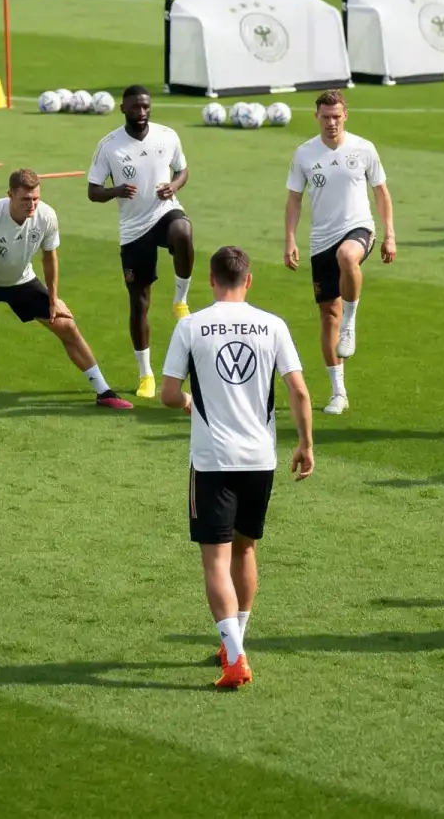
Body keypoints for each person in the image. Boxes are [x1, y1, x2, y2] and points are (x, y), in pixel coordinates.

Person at [161, 245, 313, 689]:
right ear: (248, 281)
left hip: (213, 461)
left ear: (211, 280)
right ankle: (236, 643)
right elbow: (300, 392)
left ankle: (234, 657)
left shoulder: (191, 326)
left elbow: (169, 393)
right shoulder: (273, 325)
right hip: (260, 459)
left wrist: (190, 401)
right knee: (246, 550)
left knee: (215, 559)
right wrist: (305, 444)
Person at [0, 170, 133, 411]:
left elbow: (49, 258)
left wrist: (54, 299)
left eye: (35, 198)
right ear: (10, 195)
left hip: (21, 281)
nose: (32, 204)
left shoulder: (46, 216)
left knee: (66, 326)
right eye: (26, 199)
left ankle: (104, 392)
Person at [283, 89, 395, 416]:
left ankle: (352, 322)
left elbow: (381, 192)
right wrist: (290, 239)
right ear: (316, 116)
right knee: (326, 315)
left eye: (337, 116)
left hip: (359, 229)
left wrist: (389, 235)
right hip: (320, 240)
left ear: (346, 115)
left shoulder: (363, 149)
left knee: (347, 257)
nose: (331, 122)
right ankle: (338, 391)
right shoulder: (304, 154)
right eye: (325, 116)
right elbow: (293, 200)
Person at [87, 84, 193, 398]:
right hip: (134, 229)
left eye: (146, 106)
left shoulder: (167, 135)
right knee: (139, 303)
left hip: (165, 213)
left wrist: (173, 186)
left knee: (183, 232)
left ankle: (180, 300)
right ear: (124, 109)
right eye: (135, 107)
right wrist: (116, 191)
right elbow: (93, 191)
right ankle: (146, 374)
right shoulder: (109, 146)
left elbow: (183, 170)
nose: (142, 112)